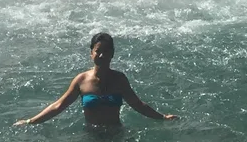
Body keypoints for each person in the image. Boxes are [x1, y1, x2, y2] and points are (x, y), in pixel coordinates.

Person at [14, 31, 178, 127]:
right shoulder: (81, 80)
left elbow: (138, 104)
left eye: (106, 51)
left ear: (112, 54)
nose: (102, 55)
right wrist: (30, 121)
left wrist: (162, 117)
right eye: (98, 51)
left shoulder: (119, 79)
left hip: (116, 135)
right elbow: (58, 106)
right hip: (91, 136)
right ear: (91, 52)